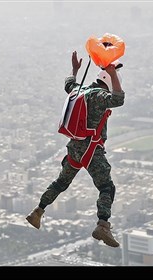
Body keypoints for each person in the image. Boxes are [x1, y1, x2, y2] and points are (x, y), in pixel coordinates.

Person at [26, 51, 125, 248]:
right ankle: (103, 225)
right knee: (106, 187)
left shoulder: (80, 90)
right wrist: (113, 74)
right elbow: (118, 99)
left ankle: (38, 211)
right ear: (108, 80)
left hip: (74, 148)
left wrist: (75, 69)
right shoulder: (100, 96)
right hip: (91, 150)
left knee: (61, 182)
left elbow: (68, 84)